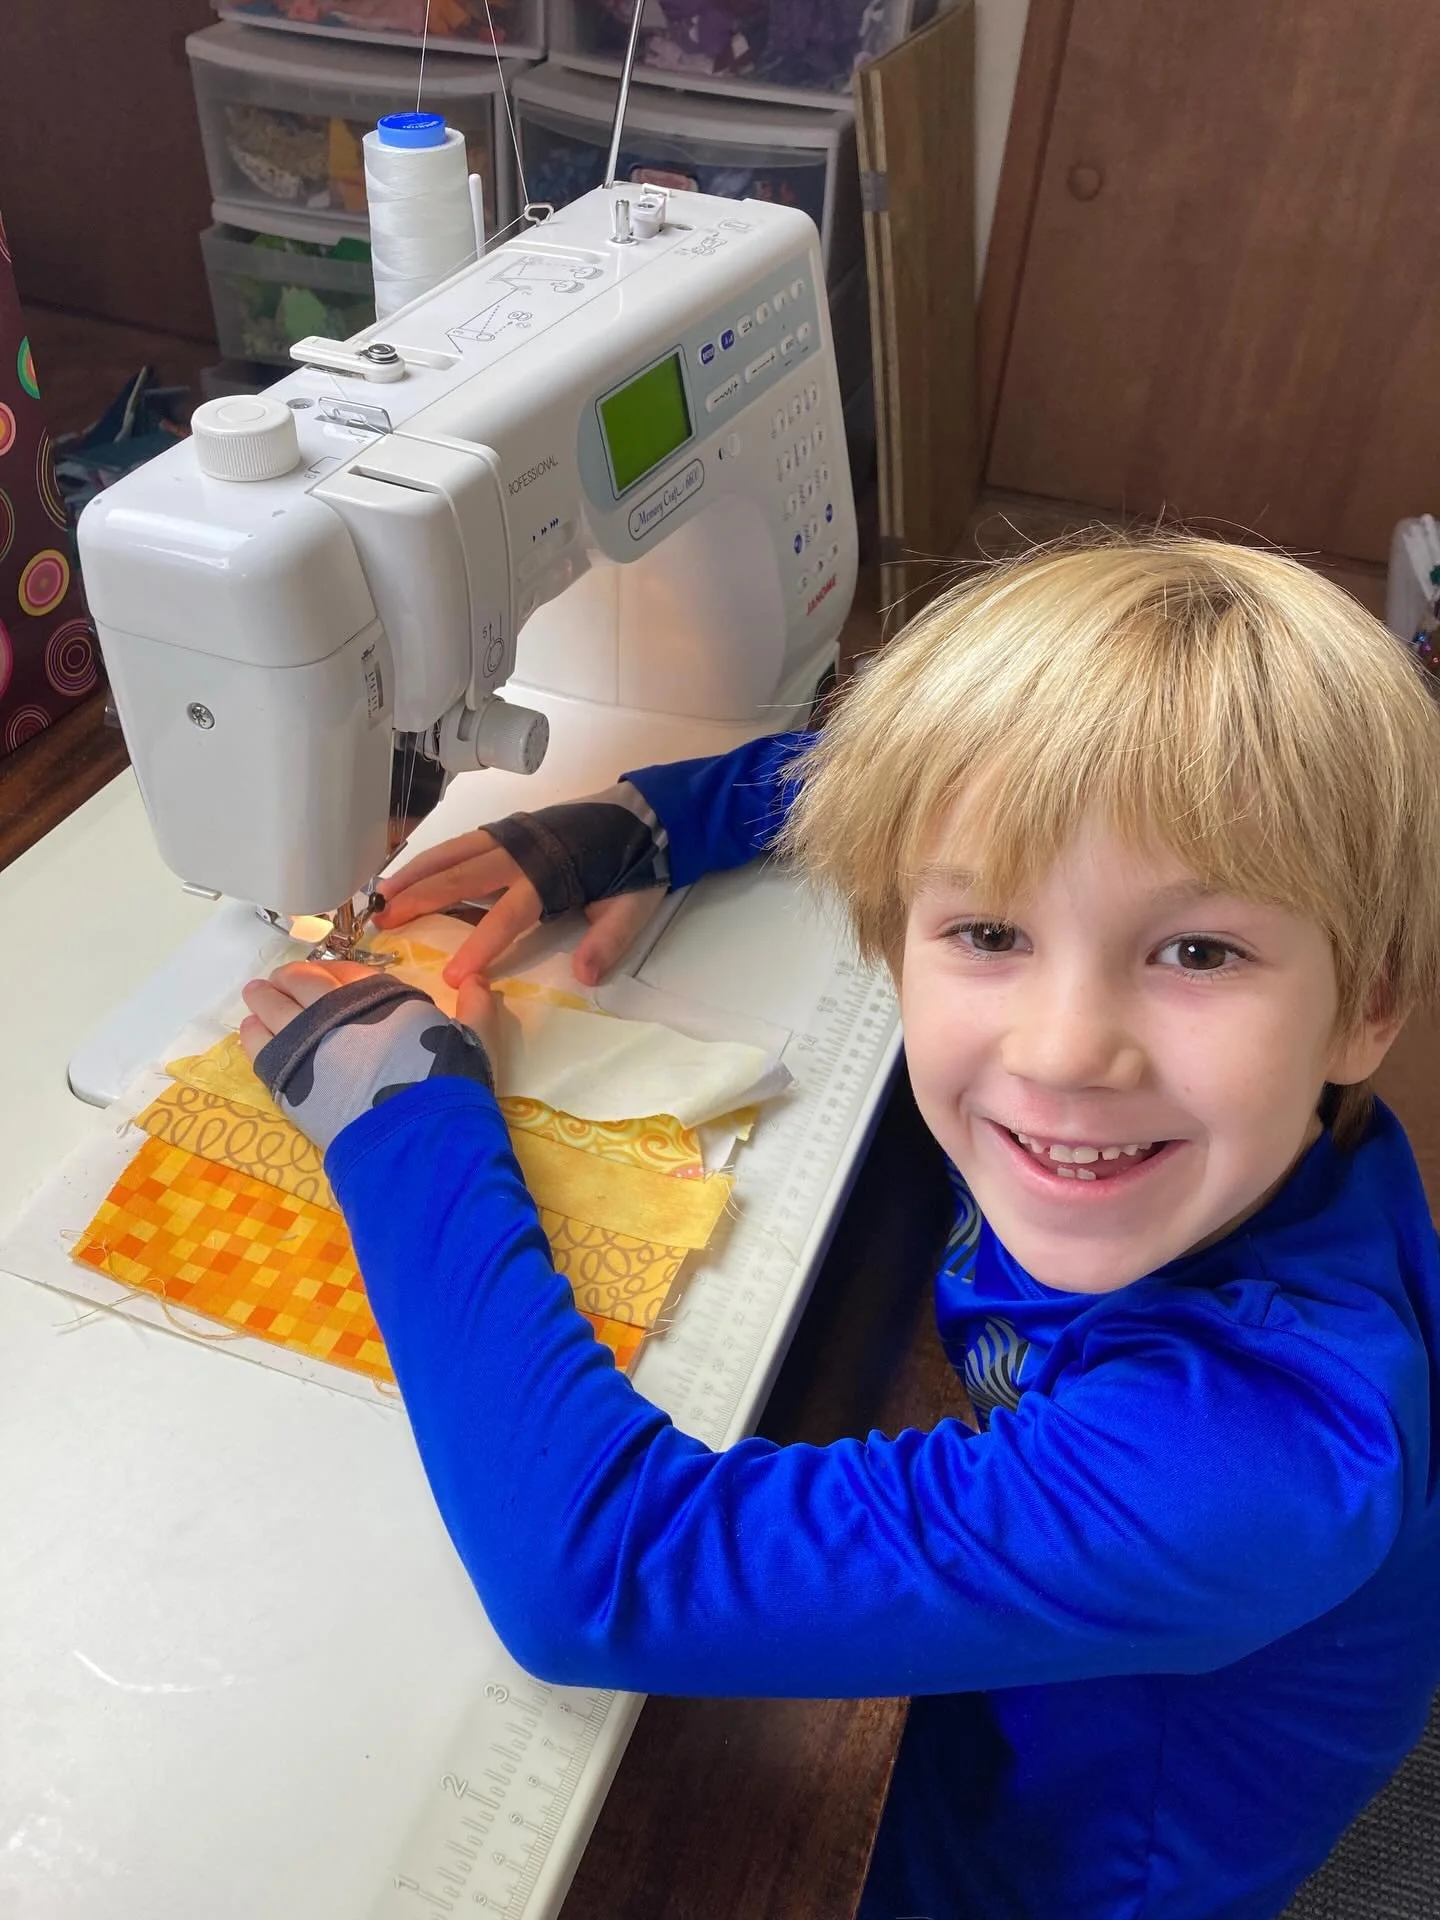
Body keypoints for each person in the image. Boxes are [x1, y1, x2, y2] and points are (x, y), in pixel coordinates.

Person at [239, 535, 1440, 1919]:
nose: (1063, 1051)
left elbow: (596, 1569)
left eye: (1198, 952)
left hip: (1014, 1865)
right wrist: (648, 822)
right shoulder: (1247, 1150)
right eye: (989, 932)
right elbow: (906, 790)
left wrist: (406, 1123)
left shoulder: (1260, 1460)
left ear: (1368, 1004)